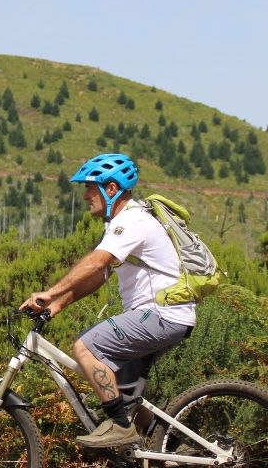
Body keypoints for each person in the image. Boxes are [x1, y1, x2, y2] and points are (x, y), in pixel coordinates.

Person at [21, 152, 196, 447]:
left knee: (85, 347)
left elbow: (97, 263)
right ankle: (172, 450)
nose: (86, 194)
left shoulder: (131, 221)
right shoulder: (122, 222)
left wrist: (49, 291)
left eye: (90, 187)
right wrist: (58, 305)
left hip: (161, 315)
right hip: (163, 317)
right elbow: (99, 276)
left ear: (111, 189)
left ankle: (119, 427)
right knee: (125, 395)